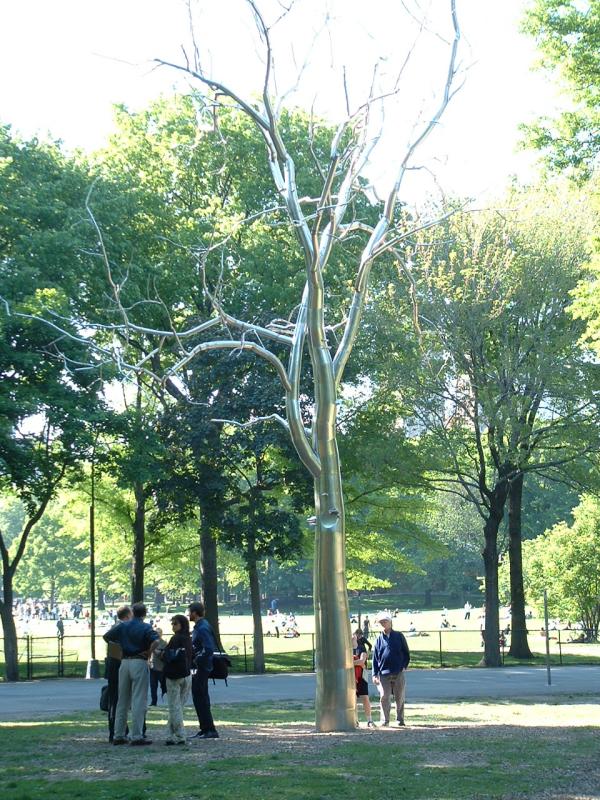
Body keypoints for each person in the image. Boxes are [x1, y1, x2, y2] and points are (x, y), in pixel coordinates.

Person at [104, 602, 159, 746]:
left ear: (133, 612)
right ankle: (137, 735)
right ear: (145, 614)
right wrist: (149, 652)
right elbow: (156, 641)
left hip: (124, 663)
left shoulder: (122, 626)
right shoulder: (146, 627)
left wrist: (119, 650)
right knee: (139, 700)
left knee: (122, 700)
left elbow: (107, 636)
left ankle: (118, 734)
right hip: (139, 662)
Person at [372, 611, 410, 727]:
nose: (383, 623)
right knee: (384, 696)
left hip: (398, 671)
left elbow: (406, 652)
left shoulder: (399, 636)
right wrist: (375, 674)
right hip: (384, 673)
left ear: (390, 622)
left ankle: (400, 719)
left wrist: (404, 666)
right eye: (381, 622)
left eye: (385, 621)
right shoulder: (379, 639)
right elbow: (375, 658)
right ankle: (385, 720)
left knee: (399, 696)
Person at [160, 614, 193, 746]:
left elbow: (167, 656)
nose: (173, 626)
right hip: (187, 675)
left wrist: (161, 654)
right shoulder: (188, 639)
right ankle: (169, 734)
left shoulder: (176, 639)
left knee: (174, 706)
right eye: (172, 623)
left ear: (182, 625)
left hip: (174, 676)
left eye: (175, 624)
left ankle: (180, 735)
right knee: (178, 707)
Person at [188, 601, 219, 740]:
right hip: (201, 666)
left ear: (195, 613)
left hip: (201, 667)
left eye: (189, 612)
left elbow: (209, 648)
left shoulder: (202, 628)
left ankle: (209, 729)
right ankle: (205, 728)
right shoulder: (201, 626)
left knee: (200, 697)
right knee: (199, 697)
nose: (188, 614)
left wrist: (196, 660)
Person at [102, 605, 132, 743]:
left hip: (115, 668)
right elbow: (106, 637)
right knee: (116, 701)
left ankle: (119, 729)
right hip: (115, 669)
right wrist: (120, 649)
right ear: (127, 616)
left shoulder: (118, 628)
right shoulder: (120, 628)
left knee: (119, 700)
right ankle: (114, 731)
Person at [352, 631, 374, 728]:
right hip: (351, 677)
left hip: (362, 676)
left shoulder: (361, 648)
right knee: (353, 699)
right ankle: (355, 720)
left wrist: (350, 662)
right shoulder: (346, 649)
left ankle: (369, 720)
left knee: (365, 697)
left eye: (353, 635)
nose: (352, 637)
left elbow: (362, 661)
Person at [149, 627, 167, 706]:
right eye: (156, 632)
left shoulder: (164, 643)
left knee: (164, 686)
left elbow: (162, 654)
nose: (157, 634)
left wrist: (154, 650)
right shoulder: (152, 642)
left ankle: (167, 701)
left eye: (159, 632)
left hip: (161, 668)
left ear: (161, 633)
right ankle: (153, 702)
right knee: (153, 687)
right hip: (152, 668)